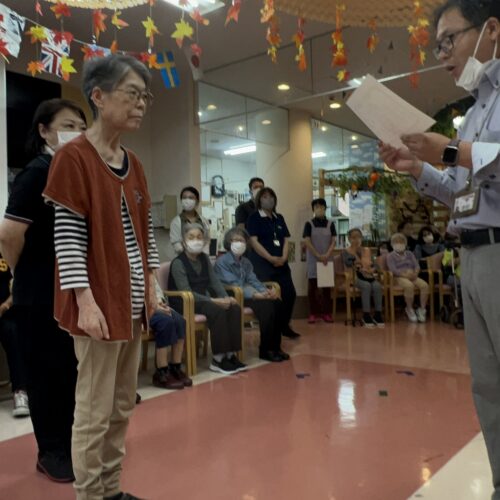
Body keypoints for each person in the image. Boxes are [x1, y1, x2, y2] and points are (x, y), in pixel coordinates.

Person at [379, 2, 500, 494]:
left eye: (450, 39)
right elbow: (460, 188)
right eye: (438, 45)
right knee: (488, 386)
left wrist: (449, 150)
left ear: (491, 30)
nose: (443, 53)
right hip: (471, 254)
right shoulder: (471, 116)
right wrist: (418, 168)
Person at [42, 54, 159, 500]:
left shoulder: (134, 163)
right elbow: (67, 238)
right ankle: (89, 495)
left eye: (144, 96)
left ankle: (110, 490)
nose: (141, 104)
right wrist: (85, 302)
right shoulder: (73, 157)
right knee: (93, 410)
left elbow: (146, 232)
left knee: (122, 404)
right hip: (98, 306)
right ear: (99, 96)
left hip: (131, 303)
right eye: (132, 94)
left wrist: (152, 283)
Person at [0, 98, 86, 482]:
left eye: (82, 127)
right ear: (44, 130)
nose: (77, 133)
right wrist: (22, 272)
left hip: (68, 291)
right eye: (68, 126)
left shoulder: (72, 172)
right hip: (37, 292)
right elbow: (9, 234)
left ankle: (68, 444)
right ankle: (50, 451)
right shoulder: (37, 173)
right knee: (44, 373)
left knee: (68, 370)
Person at [168, 223, 246, 374]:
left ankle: (230, 355)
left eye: (199, 237)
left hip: (202, 300)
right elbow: (187, 292)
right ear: (183, 241)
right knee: (217, 310)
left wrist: (226, 297)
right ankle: (218, 359)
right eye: (191, 237)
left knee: (234, 308)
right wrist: (215, 301)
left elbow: (214, 282)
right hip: (185, 302)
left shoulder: (204, 258)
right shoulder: (178, 263)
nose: (196, 240)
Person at [214, 227, 290, 362]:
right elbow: (234, 285)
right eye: (235, 240)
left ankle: (275, 347)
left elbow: (253, 280)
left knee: (278, 303)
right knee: (266, 307)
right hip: (232, 295)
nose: (239, 243)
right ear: (229, 243)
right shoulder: (222, 262)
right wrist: (256, 294)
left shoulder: (246, 262)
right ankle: (265, 350)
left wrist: (266, 292)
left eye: (242, 240)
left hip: (247, 294)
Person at [246, 187, 301, 339]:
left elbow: (286, 240)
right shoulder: (254, 217)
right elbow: (253, 241)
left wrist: (283, 257)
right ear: (259, 200)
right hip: (263, 264)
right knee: (271, 297)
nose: (268, 199)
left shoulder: (279, 217)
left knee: (290, 294)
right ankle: (272, 331)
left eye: (271, 197)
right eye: (264, 197)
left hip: (281, 264)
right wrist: (270, 257)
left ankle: (284, 325)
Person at [0, 253, 29, 417]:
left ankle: (20, 391)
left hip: (5, 313)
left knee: (14, 332)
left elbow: (17, 285)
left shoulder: (5, 253)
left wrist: (5, 305)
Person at [149, 279, 192, 390]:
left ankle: (175, 367)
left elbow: (157, 290)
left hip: (158, 305)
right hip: (145, 309)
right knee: (165, 322)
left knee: (180, 321)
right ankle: (161, 372)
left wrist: (161, 302)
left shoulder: (149, 272)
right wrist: (155, 306)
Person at [302, 198, 336, 324]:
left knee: (326, 288)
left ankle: (327, 313)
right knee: (313, 288)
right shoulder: (308, 224)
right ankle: (313, 313)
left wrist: (326, 255)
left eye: (321, 207)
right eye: (316, 207)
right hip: (313, 260)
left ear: (325, 208)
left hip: (327, 259)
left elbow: (333, 241)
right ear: (313, 210)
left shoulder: (331, 224)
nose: (319, 209)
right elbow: (307, 241)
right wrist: (318, 255)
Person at [342, 228, 385, 328]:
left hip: (368, 276)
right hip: (354, 277)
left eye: (358, 237)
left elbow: (375, 264)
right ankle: (366, 315)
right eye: (353, 237)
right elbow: (348, 263)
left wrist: (373, 269)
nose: (356, 239)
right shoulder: (346, 251)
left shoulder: (367, 250)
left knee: (377, 286)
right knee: (366, 286)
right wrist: (355, 253)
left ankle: (378, 314)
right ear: (349, 239)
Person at [386, 233, 429, 323]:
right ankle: (409, 308)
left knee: (425, 285)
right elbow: (393, 270)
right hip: (399, 277)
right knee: (409, 286)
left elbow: (416, 265)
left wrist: (415, 273)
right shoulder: (390, 256)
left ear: (405, 243)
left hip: (412, 275)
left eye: (401, 242)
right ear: (392, 244)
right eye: (396, 242)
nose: (399, 244)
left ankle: (422, 309)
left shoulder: (410, 254)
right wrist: (405, 275)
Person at [170, 186, 210, 255]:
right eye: (184, 198)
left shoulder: (204, 221)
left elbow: (206, 241)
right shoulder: (176, 222)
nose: (187, 200)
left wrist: (204, 256)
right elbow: (176, 245)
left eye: (191, 198)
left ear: (197, 201)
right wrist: (191, 253)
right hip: (183, 258)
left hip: (202, 257)